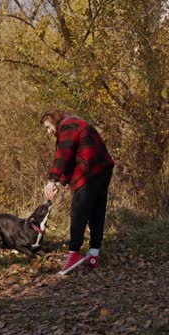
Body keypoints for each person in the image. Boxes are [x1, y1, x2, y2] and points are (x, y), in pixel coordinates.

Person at [41, 109, 114, 275]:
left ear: (54, 120)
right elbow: (71, 158)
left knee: (78, 212)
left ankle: (74, 253)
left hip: (89, 171)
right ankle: (94, 255)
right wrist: (59, 183)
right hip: (103, 169)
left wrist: (52, 180)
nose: (48, 132)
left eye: (48, 127)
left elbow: (63, 156)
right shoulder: (75, 124)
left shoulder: (66, 127)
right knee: (97, 210)